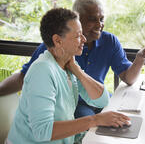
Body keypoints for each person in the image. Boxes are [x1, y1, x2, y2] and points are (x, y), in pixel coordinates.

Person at [0, 0, 145, 118]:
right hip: (76, 106)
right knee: (93, 126)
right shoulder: (56, 46)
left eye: (101, 19)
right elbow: (23, 78)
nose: (99, 24)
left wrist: (139, 59)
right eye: (92, 19)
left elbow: (128, 78)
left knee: (131, 117)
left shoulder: (109, 41)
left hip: (99, 98)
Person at [6, 8, 130, 144]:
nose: (84, 39)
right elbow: (43, 131)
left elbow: (102, 101)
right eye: (78, 36)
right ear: (58, 41)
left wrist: (79, 72)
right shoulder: (42, 71)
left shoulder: (68, 64)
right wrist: (95, 120)